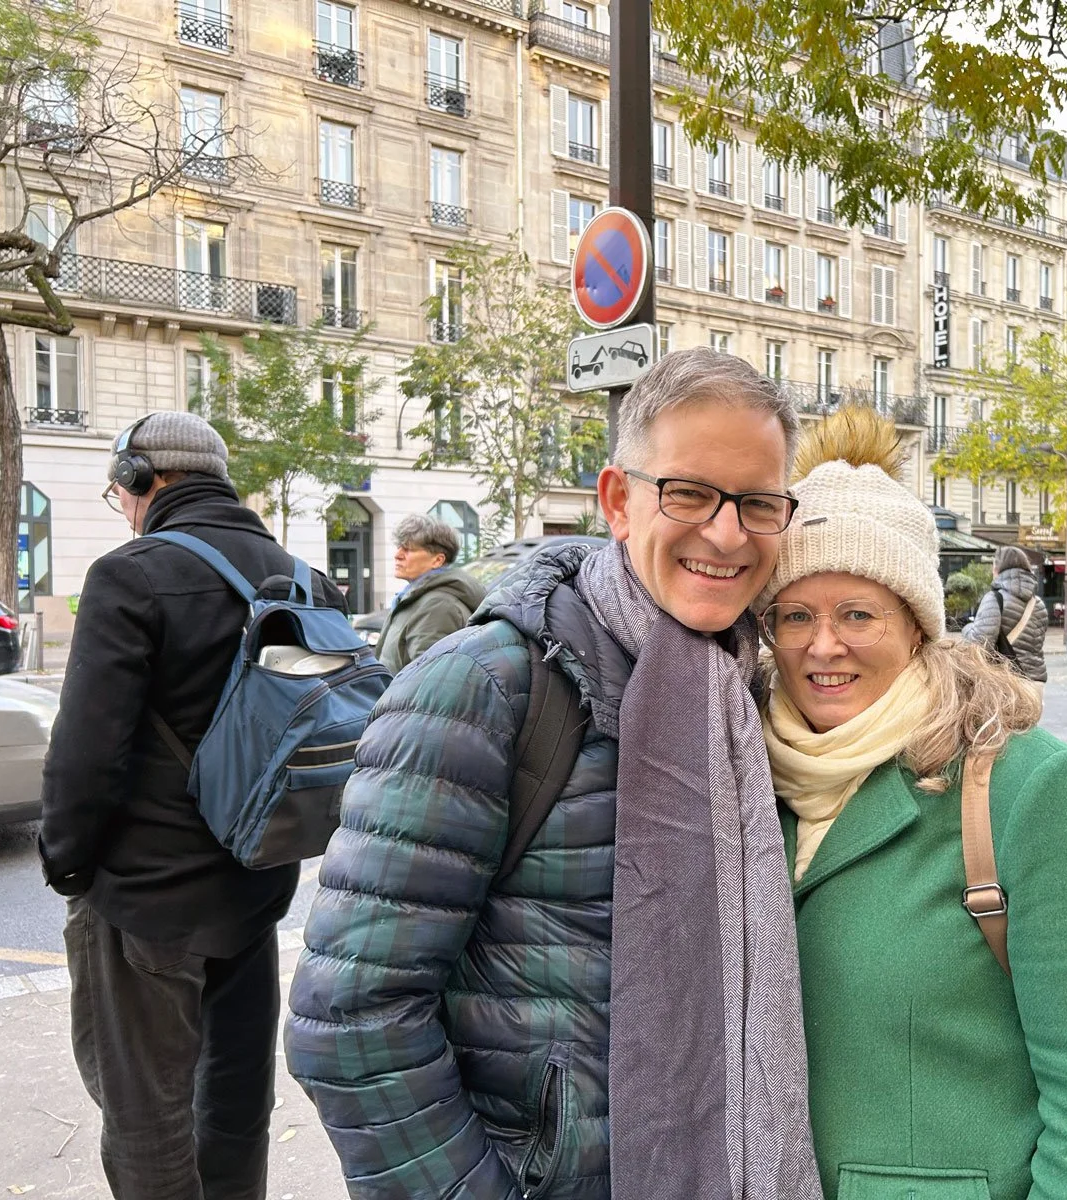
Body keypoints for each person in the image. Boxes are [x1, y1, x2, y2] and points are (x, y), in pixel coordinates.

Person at [285, 349, 823, 1200]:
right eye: (688, 493)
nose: (726, 533)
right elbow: (350, 1019)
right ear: (616, 500)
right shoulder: (486, 684)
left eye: (758, 504)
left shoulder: (747, 687)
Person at [754, 408, 1067, 1199]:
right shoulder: (748, 779)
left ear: (917, 625)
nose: (823, 644)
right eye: (797, 615)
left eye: (858, 614)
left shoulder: (1026, 788)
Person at [39, 412, 347, 1199]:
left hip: (148, 901)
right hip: (257, 887)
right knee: (236, 1104)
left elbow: (85, 754)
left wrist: (70, 868)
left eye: (123, 491)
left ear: (145, 481)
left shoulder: (129, 575)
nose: (126, 507)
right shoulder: (305, 578)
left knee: (148, 1117)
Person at [375, 513, 487, 673]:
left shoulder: (438, 606)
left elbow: (427, 679)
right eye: (399, 547)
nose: (397, 555)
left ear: (437, 560)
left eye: (408, 549)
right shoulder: (415, 598)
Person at [962, 545, 1049, 693]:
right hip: (1034, 686)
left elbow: (980, 645)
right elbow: (1034, 646)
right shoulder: (1039, 605)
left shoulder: (995, 598)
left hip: (1005, 684)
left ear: (997, 569)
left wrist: (967, 627)